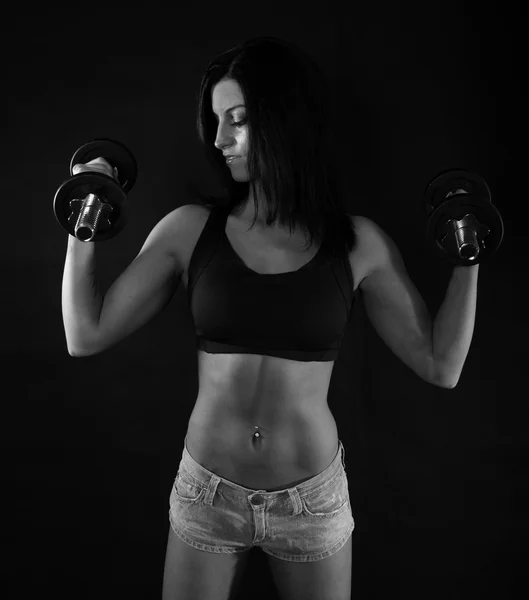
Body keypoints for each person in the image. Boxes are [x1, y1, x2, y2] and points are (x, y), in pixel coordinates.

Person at [62, 36, 477, 600]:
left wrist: (467, 255)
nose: (219, 139)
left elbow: (441, 364)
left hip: (309, 502)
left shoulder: (357, 245)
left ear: (283, 123)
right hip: (207, 492)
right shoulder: (189, 231)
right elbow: (84, 334)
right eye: (215, 121)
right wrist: (84, 216)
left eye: (238, 120)